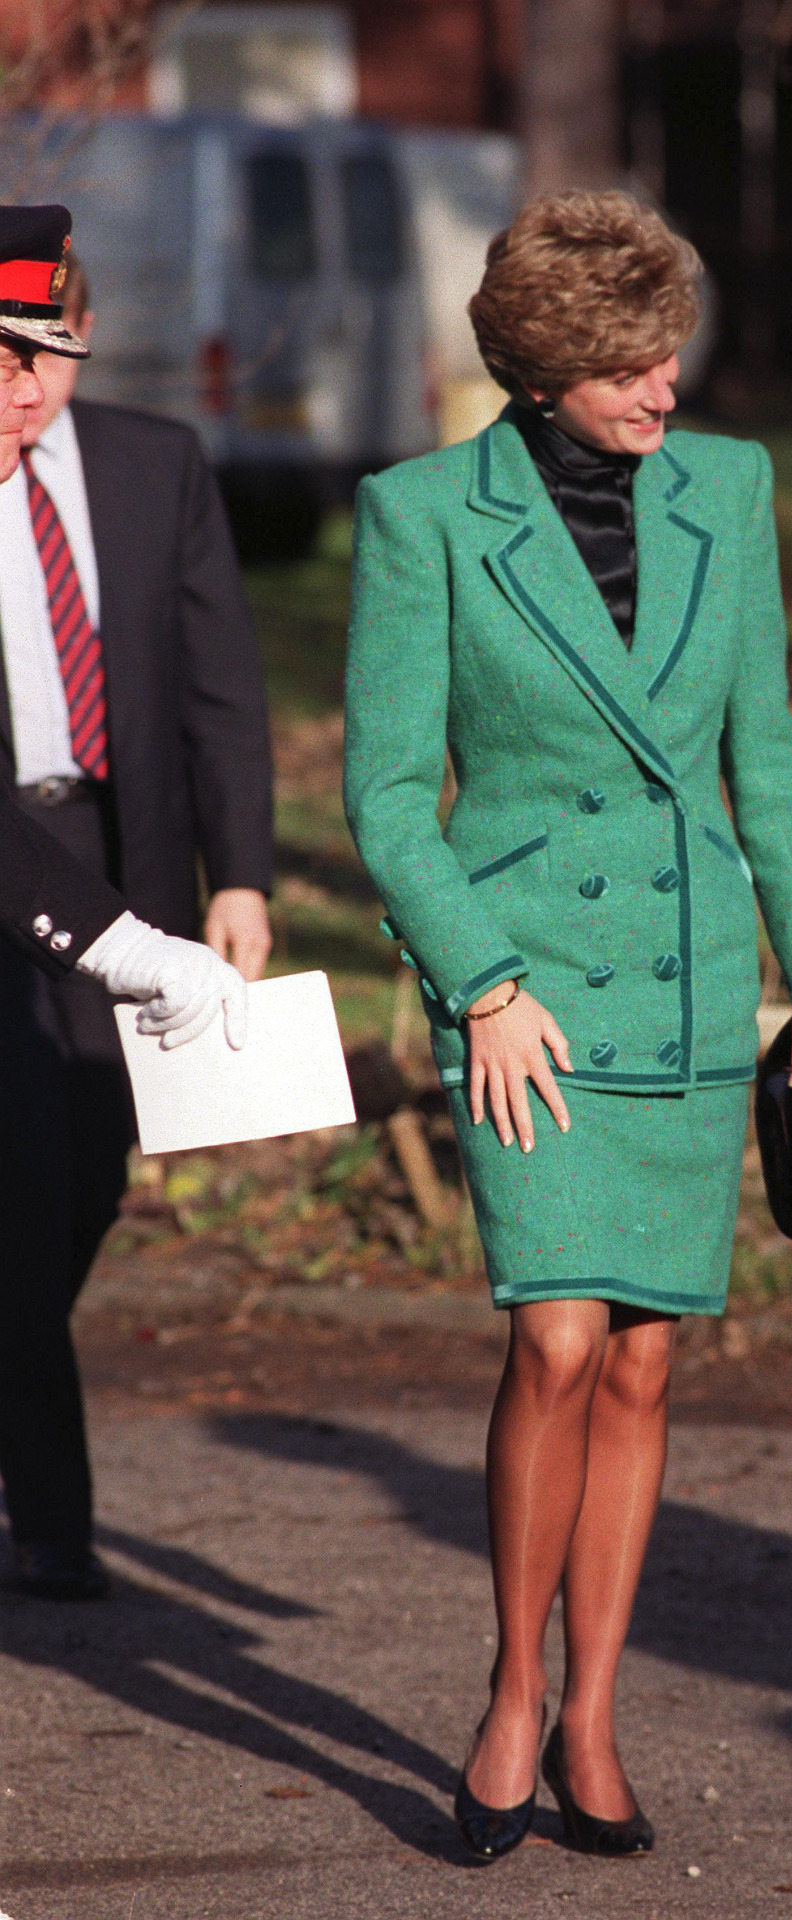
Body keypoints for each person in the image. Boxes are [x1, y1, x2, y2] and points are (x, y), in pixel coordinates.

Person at [344, 190, 792, 1860]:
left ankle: (592, 1717)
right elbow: (383, 795)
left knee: (642, 1358)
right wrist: (479, 984)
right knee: (556, 1337)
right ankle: (510, 1692)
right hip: (526, 987)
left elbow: (763, 748)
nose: (662, 387)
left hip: (694, 976)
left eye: (670, 353)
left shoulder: (733, 486)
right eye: (628, 364)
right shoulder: (422, 515)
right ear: (546, 367)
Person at [0, 204, 271, 1602]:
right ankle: (51, 1513)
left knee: (89, 1178)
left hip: (126, 859)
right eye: (0, 350)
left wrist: (243, 881)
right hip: (9, 877)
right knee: (22, 1182)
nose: (24, 382)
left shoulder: (156, 466)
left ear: (86, 342)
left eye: (45, 350)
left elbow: (223, 691)